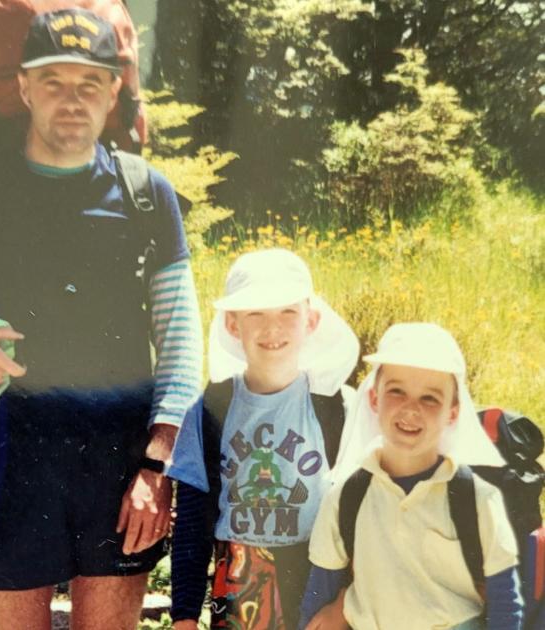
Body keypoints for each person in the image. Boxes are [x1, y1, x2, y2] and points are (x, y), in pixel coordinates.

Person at [0, 8, 202, 630]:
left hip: (119, 468)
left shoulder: (145, 193)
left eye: (88, 84)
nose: (71, 101)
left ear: (113, 91)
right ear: (22, 86)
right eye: (53, 82)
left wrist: (158, 465)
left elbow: (180, 339)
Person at [168, 248, 360, 630]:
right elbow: (193, 520)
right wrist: (184, 617)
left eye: (288, 311)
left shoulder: (337, 407)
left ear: (312, 320)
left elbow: (359, 516)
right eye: (255, 312)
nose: (273, 328)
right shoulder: (210, 409)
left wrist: (344, 601)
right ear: (233, 325)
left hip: (317, 581)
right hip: (238, 580)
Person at [299, 323, 524, 630]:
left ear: (453, 413)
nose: (411, 409)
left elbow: (505, 603)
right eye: (397, 391)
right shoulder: (346, 497)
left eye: (430, 398)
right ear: (374, 399)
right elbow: (318, 595)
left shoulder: (477, 500)